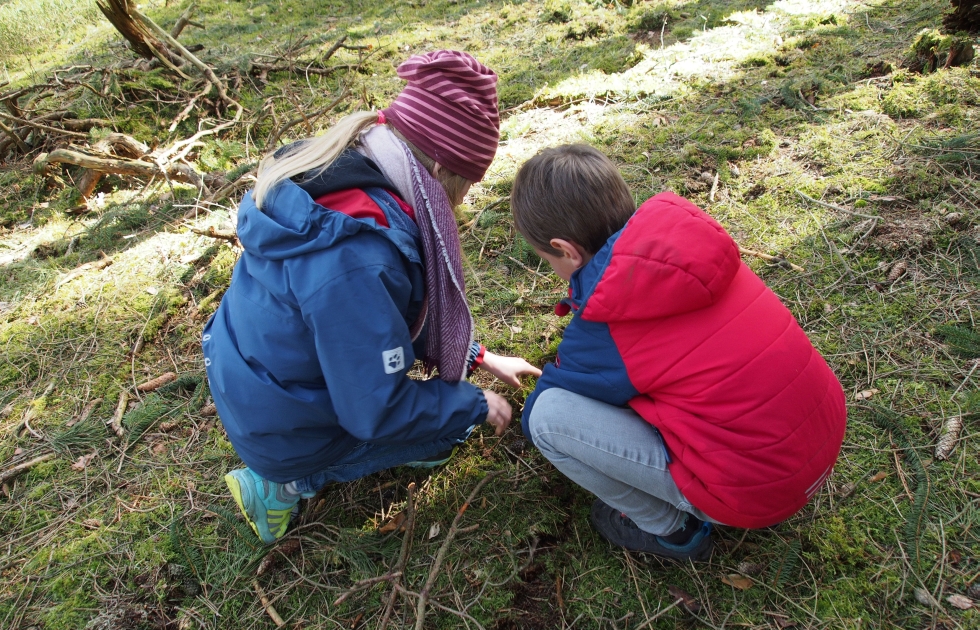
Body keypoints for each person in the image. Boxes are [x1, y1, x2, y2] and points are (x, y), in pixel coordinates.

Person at [203, 51, 540, 544]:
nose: (463, 202)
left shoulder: (341, 171)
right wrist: (471, 401)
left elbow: (370, 322)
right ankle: (284, 484)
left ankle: (296, 459)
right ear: (442, 167)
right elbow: (373, 410)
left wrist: (477, 356)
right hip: (281, 429)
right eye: (467, 185)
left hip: (256, 386)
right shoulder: (358, 256)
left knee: (440, 412)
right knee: (453, 429)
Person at [511, 144, 846, 561]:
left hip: (760, 491)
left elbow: (544, 409)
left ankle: (671, 530)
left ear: (567, 250)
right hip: (821, 439)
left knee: (548, 420)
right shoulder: (688, 251)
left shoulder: (606, 327)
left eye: (547, 259)